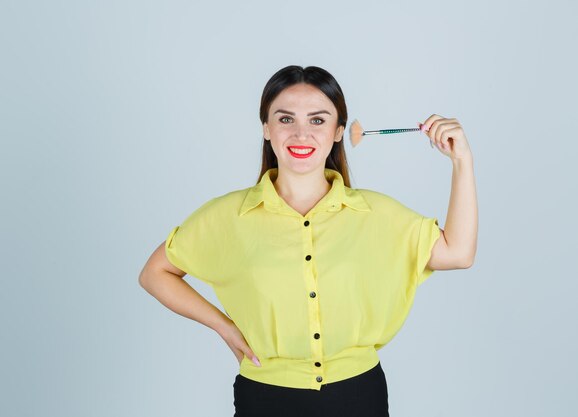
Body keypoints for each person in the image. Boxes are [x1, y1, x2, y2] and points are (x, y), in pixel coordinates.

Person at [139, 65, 478, 417]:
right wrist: (223, 326)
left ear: (338, 132)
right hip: (265, 398)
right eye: (286, 120)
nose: (301, 134)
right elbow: (155, 273)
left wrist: (462, 160)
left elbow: (458, 252)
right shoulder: (228, 216)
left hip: (359, 397)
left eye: (317, 120)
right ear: (267, 129)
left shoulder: (375, 213)